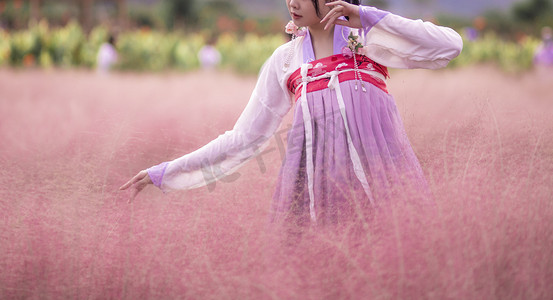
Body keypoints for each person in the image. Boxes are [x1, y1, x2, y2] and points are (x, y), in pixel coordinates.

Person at [120, 0, 462, 227]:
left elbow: (450, 45)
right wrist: (165, 172)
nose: (292, 3)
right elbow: (244, 139)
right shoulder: (286, 59)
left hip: (384, 182)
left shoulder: (367, 38)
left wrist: (366, 16)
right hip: (318, 195)